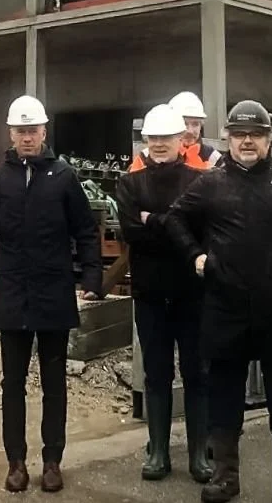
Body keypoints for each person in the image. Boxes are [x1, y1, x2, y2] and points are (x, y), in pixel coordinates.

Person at [165, 100, 272, 503]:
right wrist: (196, 257)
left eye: (256, 135)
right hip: (225, 306)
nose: (247, 141)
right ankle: (226, 476)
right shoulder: (210, 184)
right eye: (239, 135)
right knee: (224, 392)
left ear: (270, 139)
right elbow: (174, 218)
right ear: (228, 138)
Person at [0, 95, 103, 494]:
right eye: (20, 131)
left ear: (44, 131)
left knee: (54, 382)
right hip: (13, 292)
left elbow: (84, 231)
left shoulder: (63, 176)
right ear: (12, 134)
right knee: (13, 382)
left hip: (54, 292)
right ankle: (16, 462)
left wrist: (91, 278)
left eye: (33, 130)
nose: (27, 137)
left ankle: (53, 461)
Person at [116, 104, 212, 484]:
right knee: (156, 373)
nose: (158, 144)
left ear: (181, 140)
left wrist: (151, 219)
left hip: (192, 293)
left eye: (165, 138)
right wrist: (173, 223)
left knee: (197, 372)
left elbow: (202, 232)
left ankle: (198, 456)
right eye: (152, 138)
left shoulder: (198, 180)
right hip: (151, 292)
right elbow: (130, 232)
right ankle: (157, 452)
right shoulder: (130, 183)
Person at [169, 91, 222, 169]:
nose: (190, 131)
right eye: (184, 124)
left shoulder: (213, 158)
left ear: (201, 125)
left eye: (195, 124)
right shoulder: (151, 156)